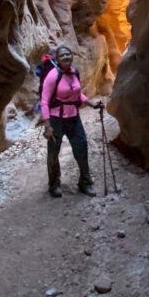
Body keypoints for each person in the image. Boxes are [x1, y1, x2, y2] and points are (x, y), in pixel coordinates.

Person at [41, 45, 103, 198]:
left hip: (73, 117)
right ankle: (54, 184)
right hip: (56, 119)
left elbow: (78, 94)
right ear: (57, 59)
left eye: (68, 54)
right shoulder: (52, 75)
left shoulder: (74, 72)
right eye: (63, 55)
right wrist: (47, 125)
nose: (66, 57)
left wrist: (92, 104)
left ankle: (85, 182)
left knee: (81, 147)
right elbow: (44, 101)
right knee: (53, 152)